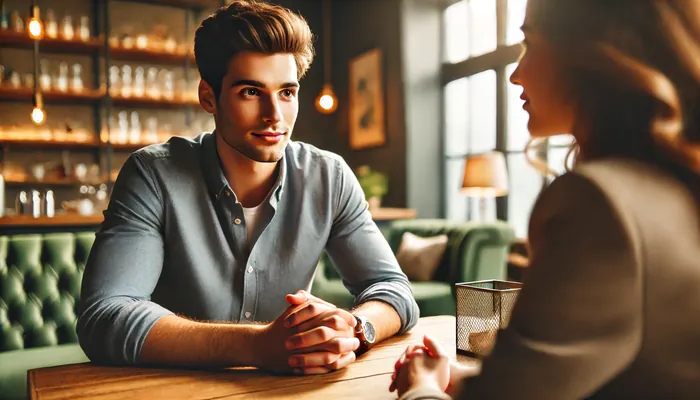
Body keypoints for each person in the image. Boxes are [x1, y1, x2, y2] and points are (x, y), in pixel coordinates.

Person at [77, 0, 418, 375]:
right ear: (209, 97)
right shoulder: (153, 175)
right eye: (251, 92)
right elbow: (104, 315)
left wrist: (355, 329)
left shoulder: (329, 176)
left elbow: (392, 288)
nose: (275, 115)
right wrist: (254, 345)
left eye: (287, 92)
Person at [391, 0, 700, 398]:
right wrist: (449, 376)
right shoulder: (670, 187)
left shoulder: (599, 204)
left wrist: (419, 389)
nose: (515, 75)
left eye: (530, 43)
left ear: (594, 55)